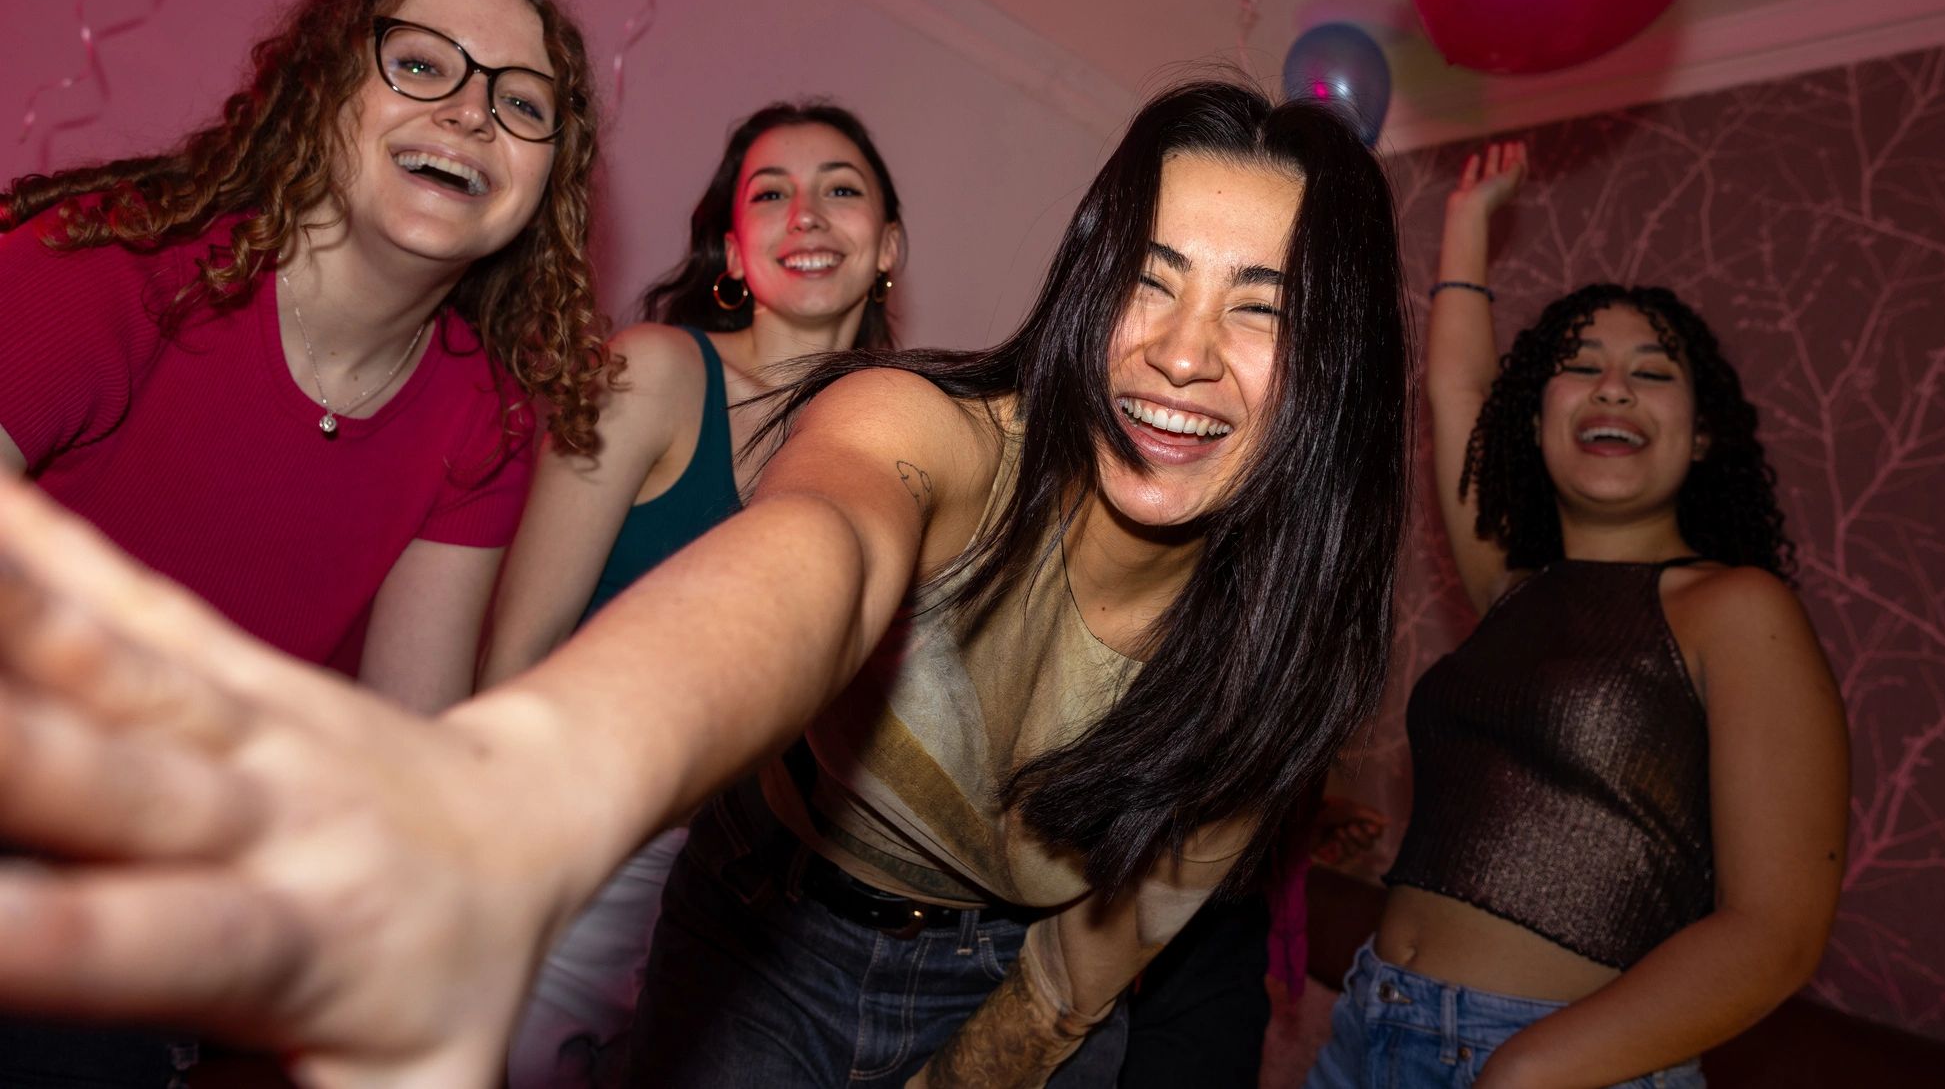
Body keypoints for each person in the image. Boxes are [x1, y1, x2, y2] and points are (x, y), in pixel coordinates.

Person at [0, 79, 1406, 1089]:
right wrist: (521, 793)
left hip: (1023, 987)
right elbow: (826, 551)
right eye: (1151, 282)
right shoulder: (933, 429)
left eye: (1261, 309)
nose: (1181, 350)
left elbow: (1106, 944)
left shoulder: (1286, 639)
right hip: (770, 932)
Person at [0, 0, 610, 1088]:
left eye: (521, 102)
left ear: (548, 177)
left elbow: (399, 758)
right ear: (319, 89)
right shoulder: (117, 267)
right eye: (422, 65)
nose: (474, 111)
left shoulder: (484, 420)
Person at [1305, 141, 1849, 1089]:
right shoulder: (1513, 592)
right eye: (1580, 365)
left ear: (1703, 429)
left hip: (1559, 1067)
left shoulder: (1736, 609)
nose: (1612, 386)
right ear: (1537, 414)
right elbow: (1456, 391)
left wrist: (1528, 1070)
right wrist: (1469, 223)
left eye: (1652, 371)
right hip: (1367, 1028)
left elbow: (1777, 933)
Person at [486, 100, 905, 1089]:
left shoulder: (896, 445)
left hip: (753, 905)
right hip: (584, 841)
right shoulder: (656, 372)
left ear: (887, 245)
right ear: (732, 245)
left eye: (839, 190)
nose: (805, 214)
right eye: (771, 194)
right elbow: (519, 645)